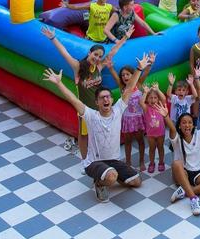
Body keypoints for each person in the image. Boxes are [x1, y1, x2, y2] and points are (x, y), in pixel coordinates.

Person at [42, 58, 146, 202]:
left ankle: (112, 175)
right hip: (94, 162)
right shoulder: (91, 115)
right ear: (96, 102)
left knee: (137, 181)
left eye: (108, 97)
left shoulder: (118, 110)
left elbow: (129, 89)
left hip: (113, 160)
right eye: (102, 98)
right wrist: (59, 83)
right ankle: (100, 182)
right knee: (111, 177)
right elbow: (74, 100)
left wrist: (139, 69)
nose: (106, 100)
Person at [41, 24, 134, 159]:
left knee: (100, 133)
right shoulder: (78, 67)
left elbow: (113, 51)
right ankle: (85, 161)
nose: (97, 58)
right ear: (89, 53)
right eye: (95, 54)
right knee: (83, 135)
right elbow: (64, 53)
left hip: (100, 108)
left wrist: (125, 37)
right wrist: (53, 38)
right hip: (84, 109)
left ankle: (100, 156)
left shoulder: (99, 67)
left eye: (99, 56)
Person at [110, 59, 153, 172]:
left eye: (127, 74)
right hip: (127, 119)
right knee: (127, 141)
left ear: (133, 75)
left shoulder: (138, 84)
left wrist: (150, 63)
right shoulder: (122, 87)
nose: (125, 77)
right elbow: (115, 76)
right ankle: (128, 161)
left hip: (138, 118)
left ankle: (141, 161)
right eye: (123, 75)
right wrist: (110, 67)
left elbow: (146, 72)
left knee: (140, 141)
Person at [140, 83, 167, 173]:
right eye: (150, 98)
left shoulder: (160, 106)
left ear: (158, 99)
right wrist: (145, 92)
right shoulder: (146, 107)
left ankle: (161, 162)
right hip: (150, 134)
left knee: (160, 148)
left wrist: (158, 90)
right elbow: (141, 102)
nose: (153, 100)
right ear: (147, 99)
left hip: (161, 133)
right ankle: (152, 163)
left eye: (155, 97)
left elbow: (164, 98)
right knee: (152, 149)